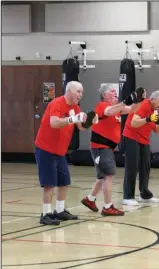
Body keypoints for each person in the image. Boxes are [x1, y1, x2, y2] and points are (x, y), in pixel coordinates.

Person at [35, 81, 98, 225]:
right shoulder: (57, 103)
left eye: (81, 92)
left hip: (60, 151)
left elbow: (81, 127)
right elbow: (54, 123)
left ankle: (60, 210)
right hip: (46, 149)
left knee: (63, 181)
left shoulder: (75, 107)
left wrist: (91, 121)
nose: (80, 95)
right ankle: (45, 214)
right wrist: (72, 118)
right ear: (69, 91)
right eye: (78, 92)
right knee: (49, 183)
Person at [81, 84, 142, 216]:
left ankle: (90, 199)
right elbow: (109, 112)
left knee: (103, 175)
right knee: (108, 175)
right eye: (111, 91)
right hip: (100, 147)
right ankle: (107, 206)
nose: (115, 92)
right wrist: (124, 102)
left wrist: (138, 100)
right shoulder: (102, 105)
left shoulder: (117, 109)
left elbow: (132, 110)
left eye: (115, 90)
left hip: (108, 148)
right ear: (104, 95)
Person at [122, 90, 159, 206]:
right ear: (152, 99)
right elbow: (133, 122)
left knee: (145, 167)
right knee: (132, 167)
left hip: (144, 139)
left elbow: (156, 130)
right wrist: (148, 119)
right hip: (131, 137)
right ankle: (128, 196)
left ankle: (144, 194)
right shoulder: (144, 105)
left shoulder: (155, 110)